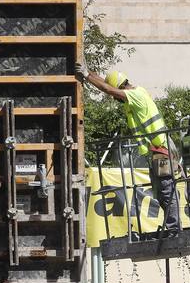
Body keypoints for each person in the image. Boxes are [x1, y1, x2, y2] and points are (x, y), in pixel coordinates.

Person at [76, 64, 180, 235]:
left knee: (166, 190)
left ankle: (174, 229)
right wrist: (89, 72)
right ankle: (172, 227)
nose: (116, 99)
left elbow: (109, 90)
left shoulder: (136, 95)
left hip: (162, 148)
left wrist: (87, 75)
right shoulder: (135, 92)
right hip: (157, 150)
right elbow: (107, 86)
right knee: (161, 192)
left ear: (120, 87)